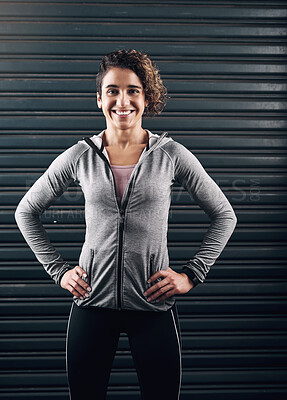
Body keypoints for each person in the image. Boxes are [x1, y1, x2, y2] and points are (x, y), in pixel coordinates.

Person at [15, 49, 237, 400]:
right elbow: (25, 211)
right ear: (100, 99)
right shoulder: (81, 155)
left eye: (133, 90)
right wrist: (58, 271)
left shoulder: (170, 155)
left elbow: (225, 214)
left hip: (151, 306)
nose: (123, 100)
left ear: (146, 98)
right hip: (91, 303)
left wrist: (192, 274)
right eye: (113, 90)